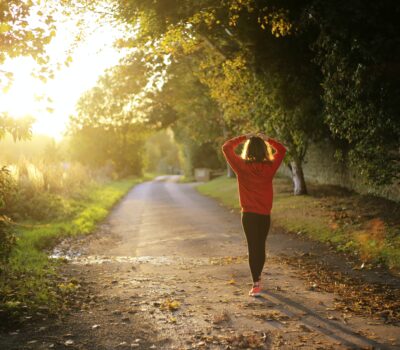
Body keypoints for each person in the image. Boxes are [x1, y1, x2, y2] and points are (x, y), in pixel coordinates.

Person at [222, 132, 287, 297]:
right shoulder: (270, 167)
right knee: (261, 246)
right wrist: (268, 138)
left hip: (249, 215)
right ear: (264, 150)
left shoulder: (241, 167)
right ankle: (258, 278)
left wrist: (245, 136)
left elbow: (226, 147)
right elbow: (282, 150)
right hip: (264, 214)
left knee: (253, 247)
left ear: (248, 149)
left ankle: (256, 283)